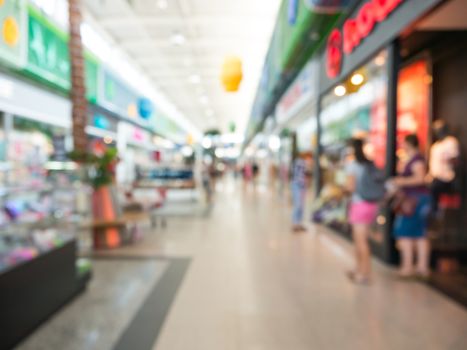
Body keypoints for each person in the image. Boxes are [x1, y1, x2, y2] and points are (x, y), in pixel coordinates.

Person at [390, 134, 431, 278]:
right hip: (417, 200)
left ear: (409, 143)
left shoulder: (417, 160)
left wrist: (400, 181)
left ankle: (408, 268)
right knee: (419, 233)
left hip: (414, 201)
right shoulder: (414, 159)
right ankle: (421, 267)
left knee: (405, 232)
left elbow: (420, 178)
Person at [345, 139, 382, 285]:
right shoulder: (369, 164)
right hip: (371, 205)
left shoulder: (352, 165)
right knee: (362, 239)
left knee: (360, 241)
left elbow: (350, 187)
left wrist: (343, 189)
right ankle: (358, 269)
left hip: (359, 204)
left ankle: (364, 273)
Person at [429, 120, 461, 213]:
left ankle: (436, 211)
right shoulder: (435, 145)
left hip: (446, 177)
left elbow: (455, 159)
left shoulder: (451, 142)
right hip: (434, 177)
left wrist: (448, 159)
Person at [291, 153, 308, 233]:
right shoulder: (300, 162)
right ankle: (295, 224)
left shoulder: (301, 163)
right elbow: (300, 175)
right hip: (297, 185)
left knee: (301, 206)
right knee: (298, 205)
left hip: (302, 186)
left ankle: (299, 223)